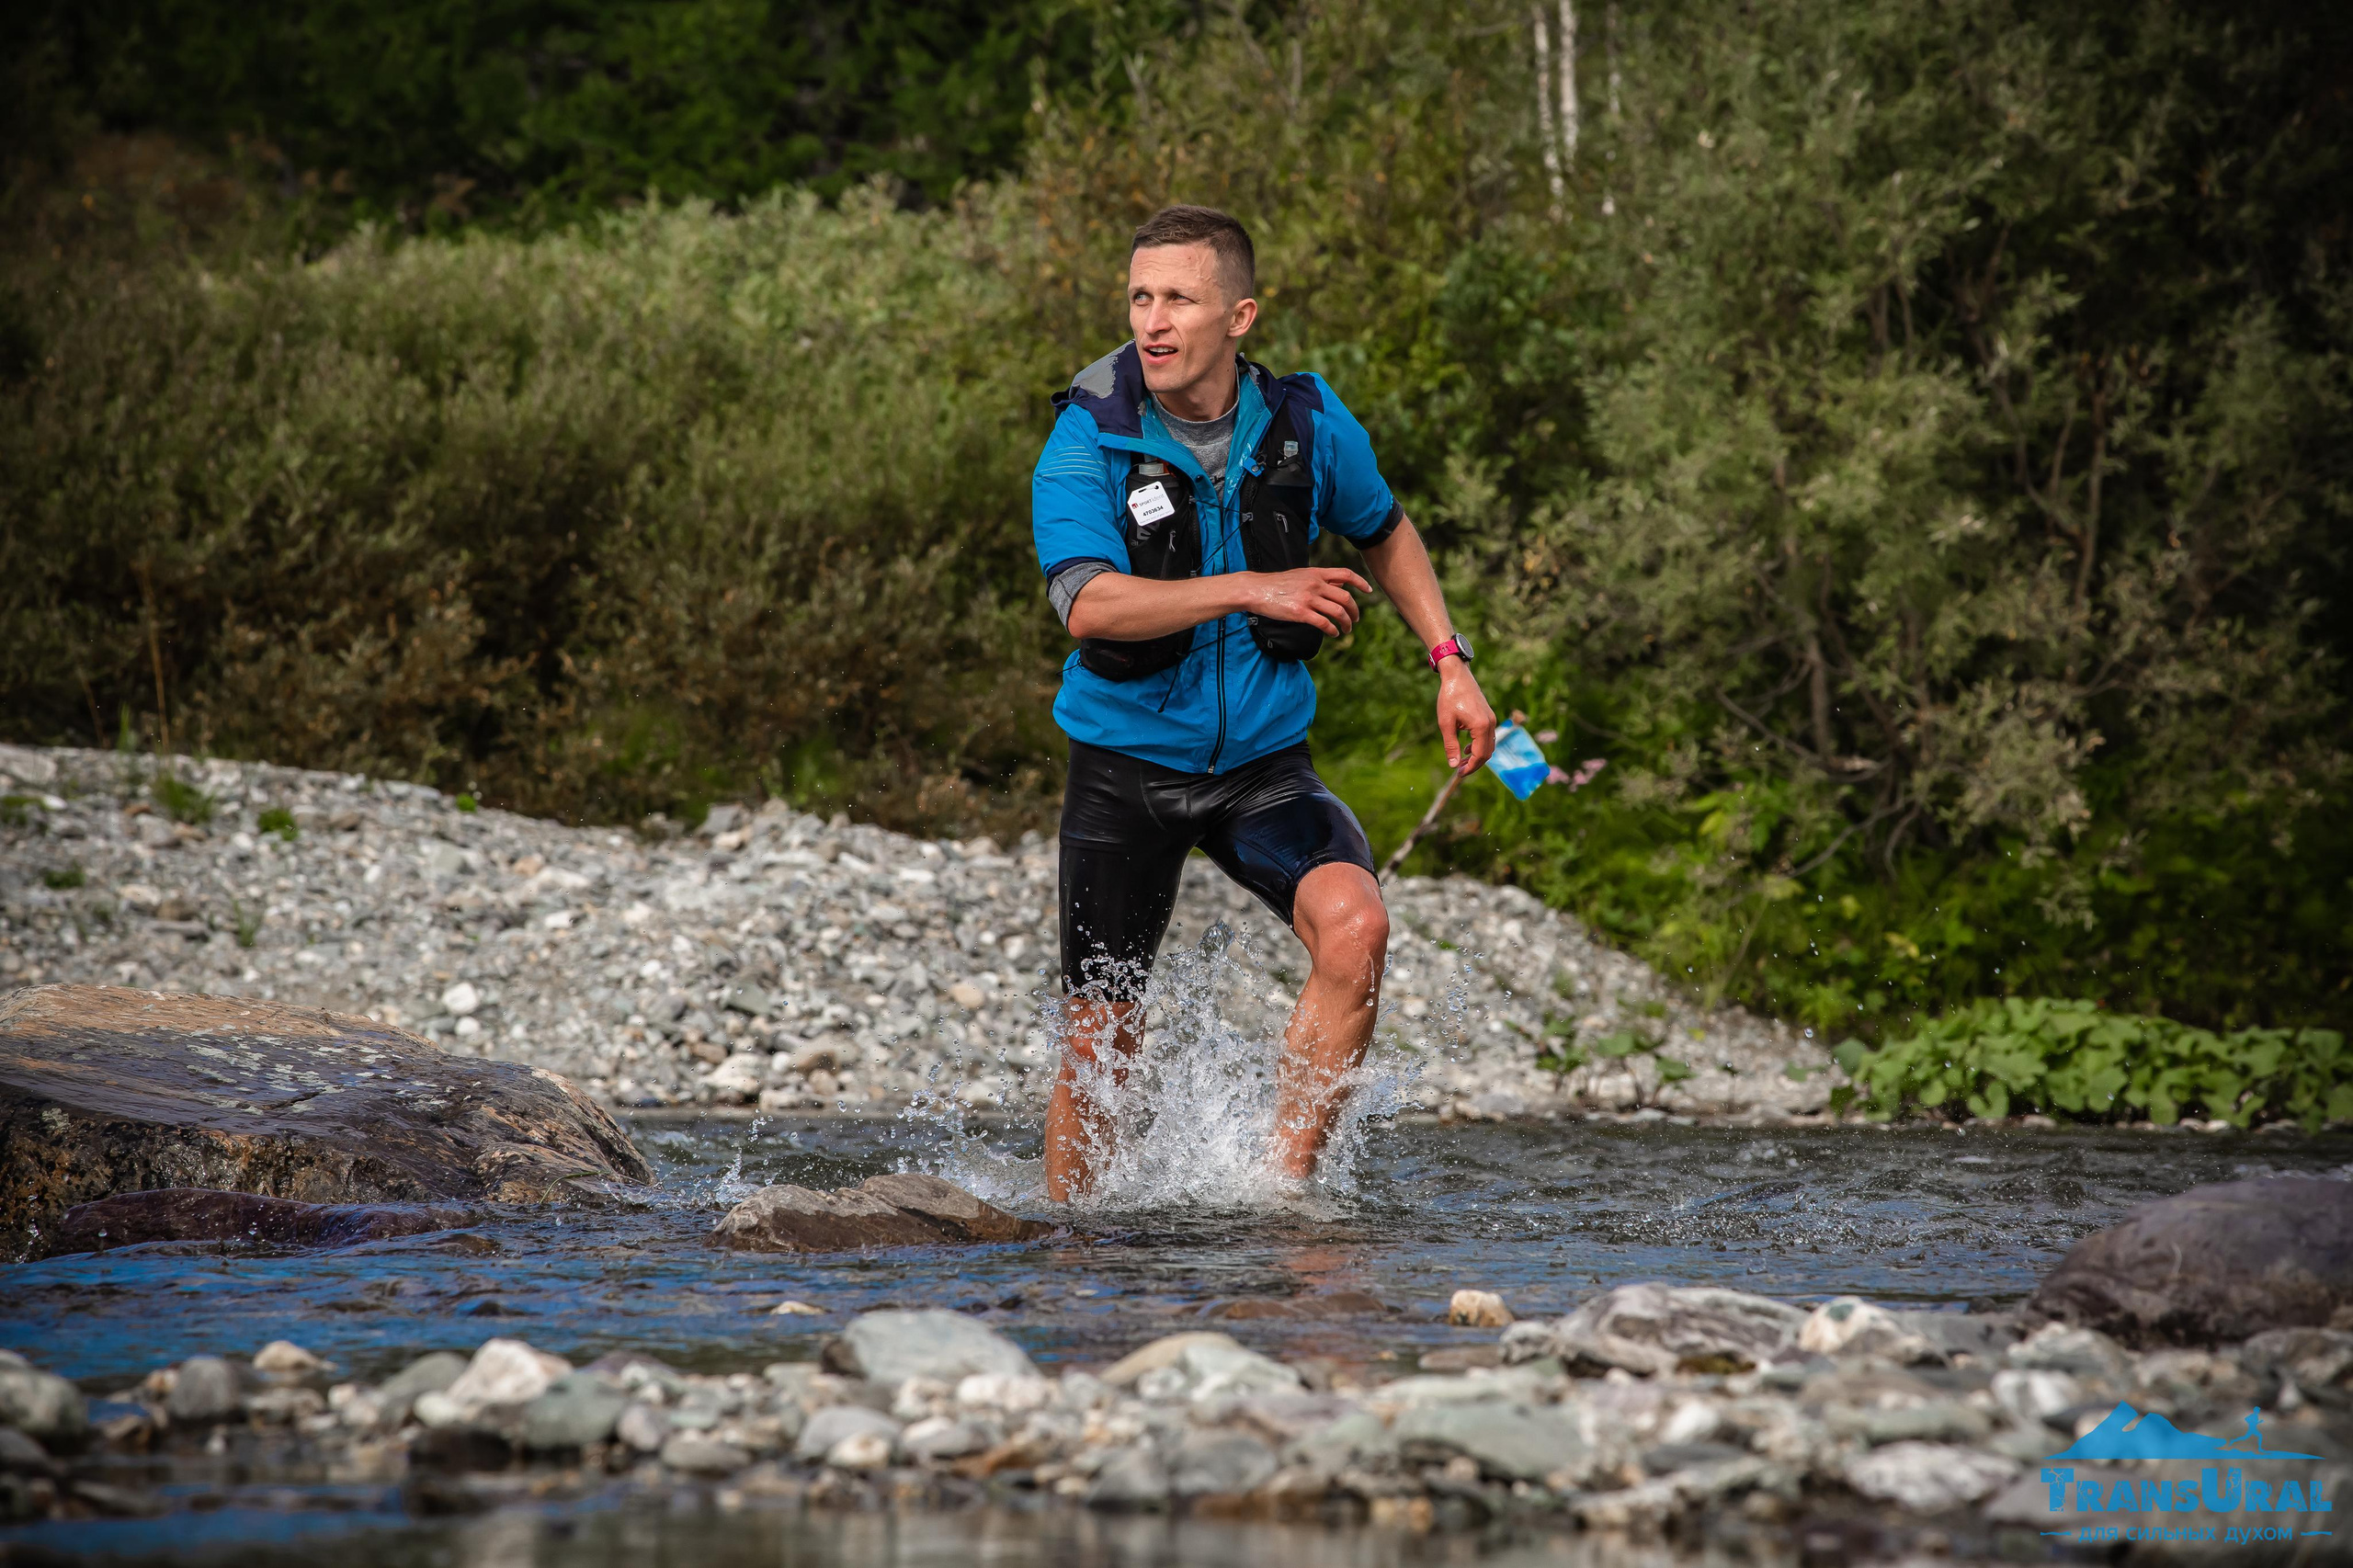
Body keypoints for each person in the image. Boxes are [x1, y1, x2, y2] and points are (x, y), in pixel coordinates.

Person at [1030, 204, 1497, 1199]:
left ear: (1238, 316)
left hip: (1261, 766)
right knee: (1100, 1035)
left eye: (1179, 299)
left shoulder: (1308, 425)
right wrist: (1253, 587)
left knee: (1356, 927)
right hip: (1124, 767)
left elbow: (1386, 527)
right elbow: (1089, 603)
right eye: (1139, 297)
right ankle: (1067, 1243)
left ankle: (1282, 1194)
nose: (1152, 321)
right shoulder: (1085, 438)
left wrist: (1449, 661)